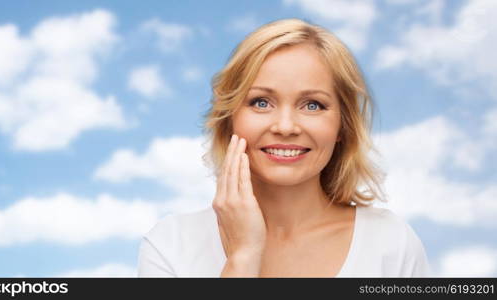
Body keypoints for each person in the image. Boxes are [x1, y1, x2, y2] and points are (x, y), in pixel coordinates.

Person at [137, 18, 431, 277]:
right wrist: (243, 258)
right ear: (229, 119)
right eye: (261, 102)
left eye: (313, 105)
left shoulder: (391, 243)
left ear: (342, 126)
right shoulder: (171, 245)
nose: (286, 126)